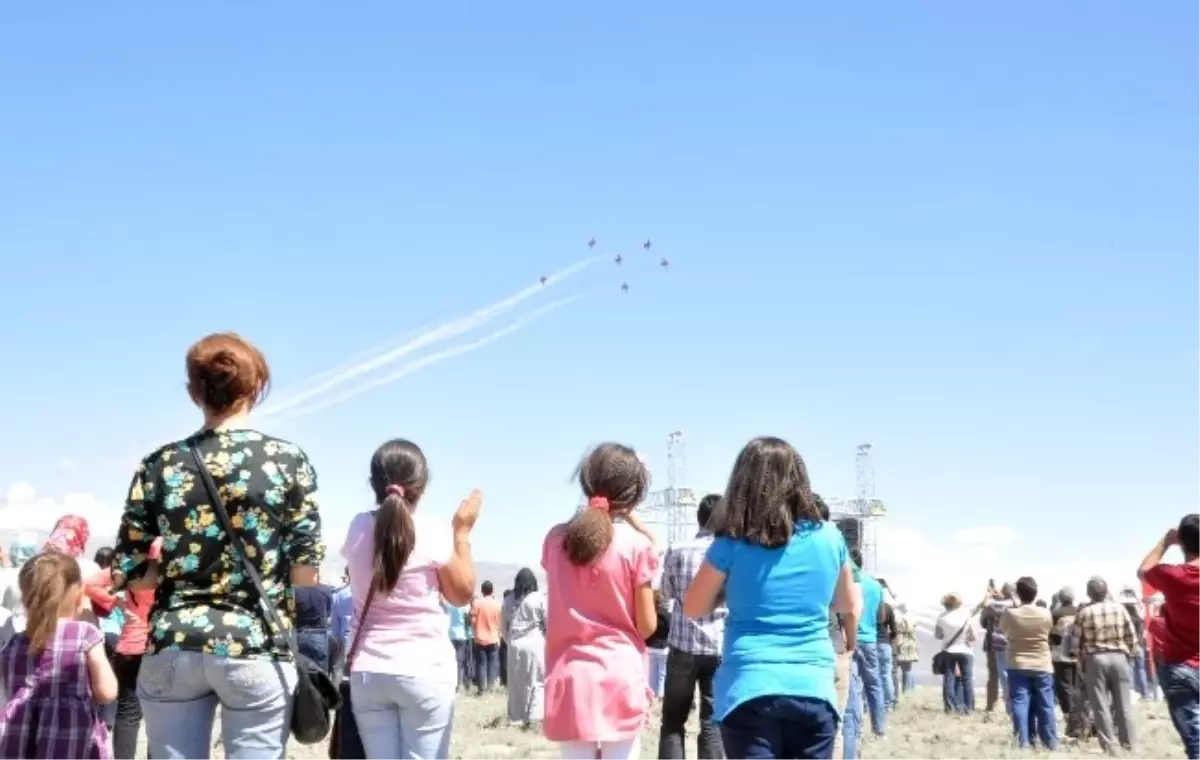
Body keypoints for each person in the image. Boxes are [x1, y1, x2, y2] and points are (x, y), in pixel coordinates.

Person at [110, 332, 325, 760]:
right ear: (255, 386)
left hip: (174, 642)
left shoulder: (160, 464)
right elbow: (305, 571)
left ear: (194, 391)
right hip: (255, 644)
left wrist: (173, 570)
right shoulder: (286, 461)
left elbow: (130, 569)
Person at [684, 436, 861, 760]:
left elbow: (693, 607)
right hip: (813, 685)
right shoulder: (830, 537)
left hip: (749, 686)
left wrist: (728, 594)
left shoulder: (731, 542)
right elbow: (848, 604)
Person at [341, 439, 480, 760]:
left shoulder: (358, 527)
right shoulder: (430, 532)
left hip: (369, 670)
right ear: (422, 485)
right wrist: (461, 533)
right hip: (424, 668)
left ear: (373, 483)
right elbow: (461, 594)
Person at [542, 442, 660, 760]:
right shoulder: (637, 546)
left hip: (569, 680)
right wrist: (646, 535)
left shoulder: (555, 540)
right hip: (619, 678)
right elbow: (647, 626)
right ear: (633, 495)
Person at [0, 551, 119, 759]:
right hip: (72, 737)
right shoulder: (85, 634)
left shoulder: (14, 643)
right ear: (78, 594)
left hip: (18, 739)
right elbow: (107, 692)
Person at [659, 493, 726, 760]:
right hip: (718, 648)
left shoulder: (677, 549)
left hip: (683, 647)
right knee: (712, 723)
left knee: (673, 723)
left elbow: (665, 593)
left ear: (698, 518)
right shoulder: (729, 552)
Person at [1138, 516, 1200, 755]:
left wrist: (1164, 542)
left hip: (1179, 667)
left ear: (1181, 542)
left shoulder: (1174, 576)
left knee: (1196, 742)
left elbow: (1143, 571)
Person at [1067, 576, 1139, 754]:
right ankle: (1129, 745)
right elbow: (1132, 638)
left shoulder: (1084, 613)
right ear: (1106, 591)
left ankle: (1110, 747)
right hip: (1119, 657)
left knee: (1100, 705)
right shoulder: (1120, 609)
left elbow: (1075, 645)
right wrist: (1130, 657)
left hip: (1095, 660)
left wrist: (1080, 665)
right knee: (1124, 705)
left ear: (1089, 593)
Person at [110, 537, 161, 760]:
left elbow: (93, 584)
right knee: (159, 714)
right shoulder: (168, 549)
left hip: (129, 645)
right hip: (158, 647)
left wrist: (116, 602)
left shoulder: (129, 559)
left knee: (128, 712)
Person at [1002, 576, 1058, 750]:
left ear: (1018, 593)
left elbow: (1004, 630)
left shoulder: (1010, 614)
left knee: (1020, 702)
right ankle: (1050, 742)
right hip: (1042, 663)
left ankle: (1023, 742)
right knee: (1046, 703)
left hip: (1018, 663)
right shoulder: (1045, 613)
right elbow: (1048, 631)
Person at [844, 547, 886, 751]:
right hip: (869, 639)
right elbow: (882, 617)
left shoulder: (845, 582)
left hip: (848, 639)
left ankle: (855, 730)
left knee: (852, 689)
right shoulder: (876, 586)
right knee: (874, 684)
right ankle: (879, 728)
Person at [505, 567, 547, 728]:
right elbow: (547, 620)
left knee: (517, 683)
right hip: (534, 643)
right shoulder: (538, 598)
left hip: (514, 644)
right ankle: (535, 717)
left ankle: (517, 717)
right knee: (536, 680)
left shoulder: (508, 600)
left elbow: (504, 626)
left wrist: (509, 641)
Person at [935, 592, 977, 714]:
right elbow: (973, 636)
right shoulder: (966, 615)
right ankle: (969, 707)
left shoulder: (942, 616)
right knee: (967, 679)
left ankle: (950, 707)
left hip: (949, 650)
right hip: (965, 649)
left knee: (949, 677)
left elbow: (938, 635)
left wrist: (946, 635)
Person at [1049, 587, 1081, 735]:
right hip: (1078, 655)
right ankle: (1079, 714)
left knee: (1064, 686)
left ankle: (1070, 716)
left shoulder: (1055, 614)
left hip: (1060, 655)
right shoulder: (1079, 612)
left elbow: (1052, 635)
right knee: (1076, 685)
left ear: (1060, 599)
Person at [980, 582, 1016, 716]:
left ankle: (991, 705)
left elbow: (982, 623)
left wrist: (989, 596)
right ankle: (1011, 706)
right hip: (1011, 644)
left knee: (994, 676)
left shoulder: (992, 606)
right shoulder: (1015, 605)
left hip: (993, 643)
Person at [471, 581, 503, 693]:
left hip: (480, 638)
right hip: (493, 637)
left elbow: (473, 621)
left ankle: (482, 688)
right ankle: (491, 687)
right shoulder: (497, 605)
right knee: (492, 663)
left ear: (482, 591)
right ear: (492, 591)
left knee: (481, 664)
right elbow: (500, 623)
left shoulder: (477, 603)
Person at [875, 580, 898, 712]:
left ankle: (869, 704)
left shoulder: (867, 605)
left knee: (871, 676)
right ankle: (888, 704)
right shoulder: (888, 608)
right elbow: (894, 630)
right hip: (885, 644)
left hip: (870, 642)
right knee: (886, 675)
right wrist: (889, 639)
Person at [645, 590, 671, 699]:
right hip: (663, 647)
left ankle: (651, 694)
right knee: (662, 674)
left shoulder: (650, 614)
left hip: (650, 646)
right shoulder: (667, 615)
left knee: (651, 673)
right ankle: (660, 695)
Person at [892, 601, 919, 699]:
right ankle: (906, 691)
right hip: (909, 642)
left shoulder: (897, 617)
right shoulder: (913, 618)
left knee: (894, 669)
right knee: (907, 669)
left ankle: (895, 693)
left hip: (898, 642)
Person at [443, 596, 471, 691]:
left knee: (452, 660)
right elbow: (467, 622)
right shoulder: (463, 609)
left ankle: (452, 682)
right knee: (460, 661)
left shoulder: (449, 608)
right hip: (461, 636)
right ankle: (460, 683)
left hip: (451, 635)